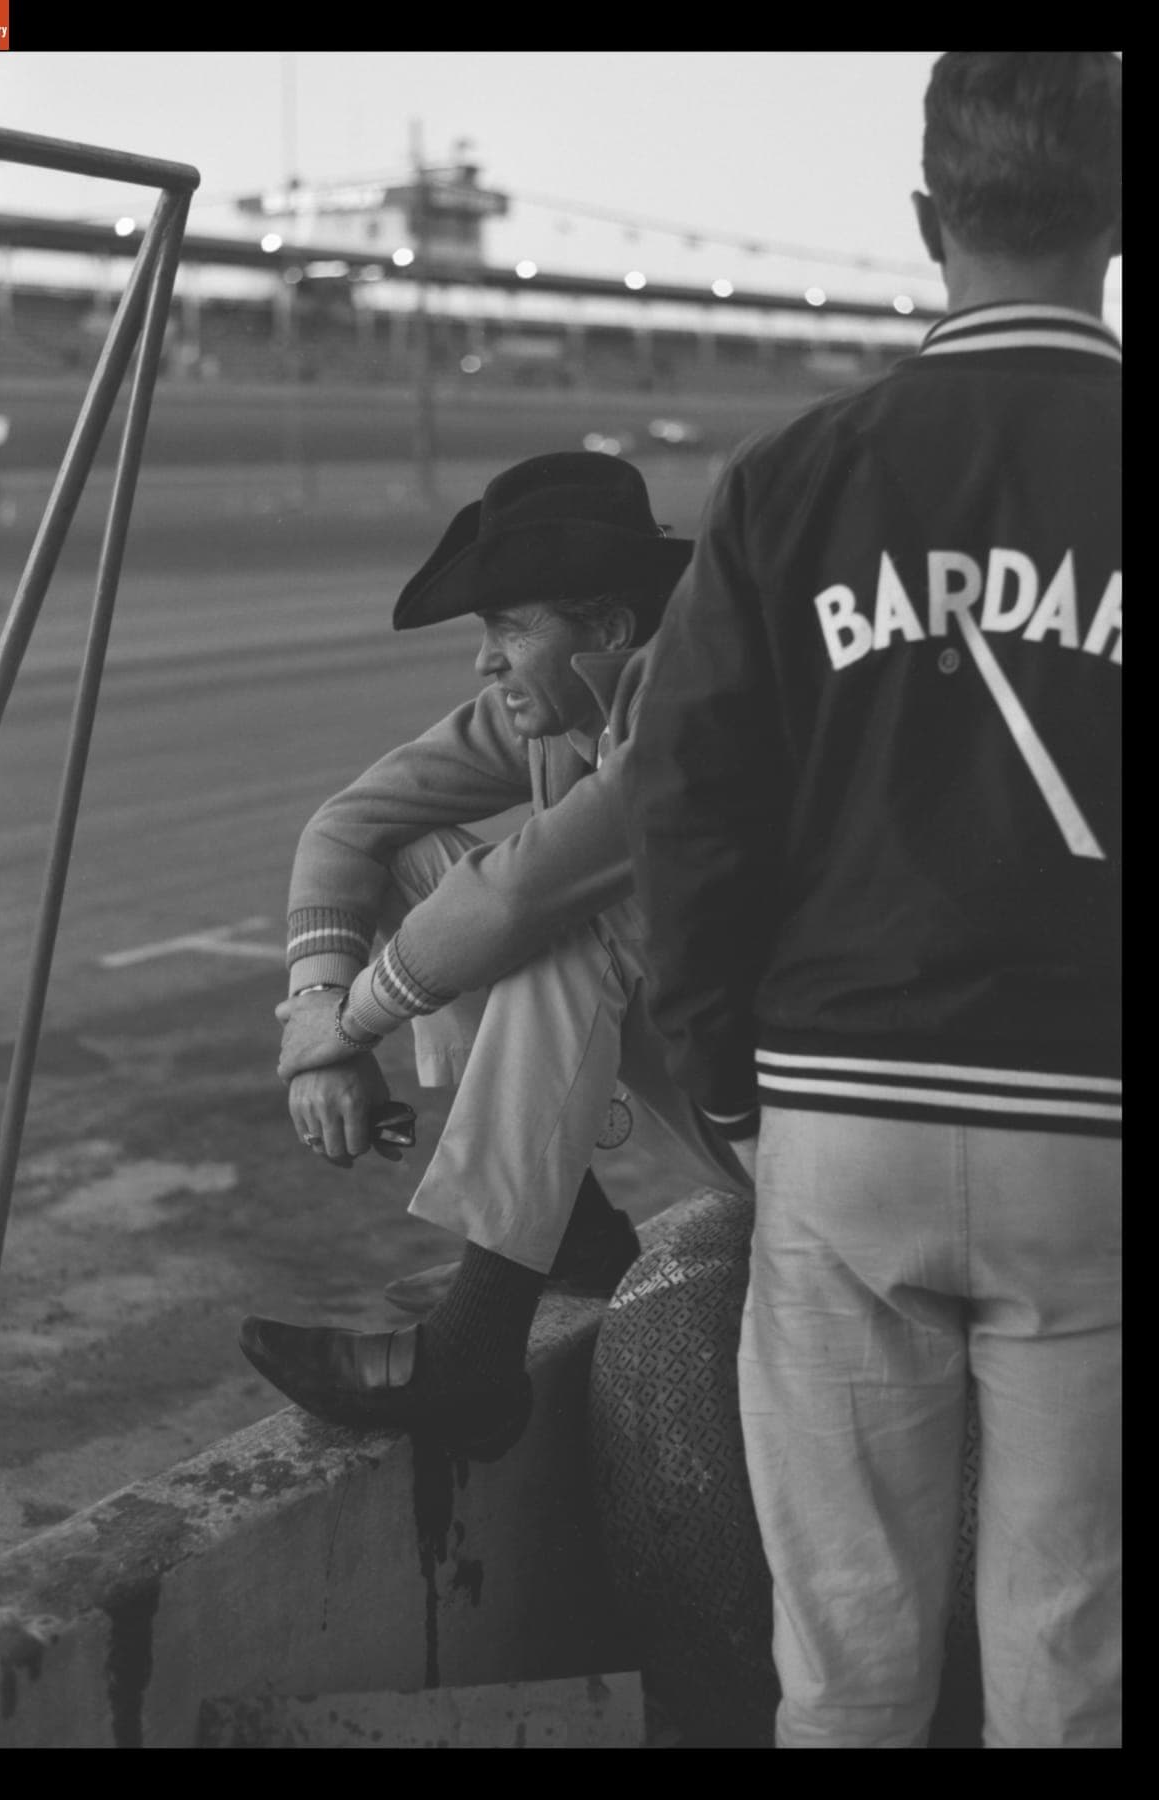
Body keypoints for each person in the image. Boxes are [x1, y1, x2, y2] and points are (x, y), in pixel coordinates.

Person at [623, 52, 1121, 1749]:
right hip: (1098, 1126)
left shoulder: (792, 477)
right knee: (1070, 1661)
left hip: (843, 1112)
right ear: (1116, 216)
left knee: (844, 1669)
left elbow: (687, 811)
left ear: (926, 219)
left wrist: (720, 1079)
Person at [239, 452, 752, 1460]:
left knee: (558, 920)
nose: (485, 661)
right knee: (419, 857)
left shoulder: (695, 709)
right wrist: (319, 1010)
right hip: (718, 1089)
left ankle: (475, 1350)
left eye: (510, 629)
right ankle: (574, 1235)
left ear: (609, 629)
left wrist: (351, 1024)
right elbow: (349, 826)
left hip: (796, 1128)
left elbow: (517, 896)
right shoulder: (555, 708)